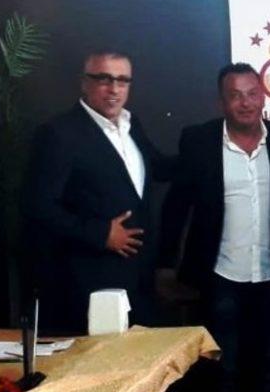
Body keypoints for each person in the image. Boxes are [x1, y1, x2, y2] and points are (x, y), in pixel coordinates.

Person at [157, 62, 270, 392]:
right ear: (221, 102)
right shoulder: (199, 141)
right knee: (224, 372)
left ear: (263, 97)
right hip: (220, 278)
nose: (245, 103)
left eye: (252, 94)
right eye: (236, 95)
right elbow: (176, 206)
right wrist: (166, 264)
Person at [24, 50, 171, 334]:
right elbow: (38, 206)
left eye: (122, 80)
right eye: (104, 79)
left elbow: (159, 168)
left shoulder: (131, 125)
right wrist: (100, 233)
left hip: (138, 277)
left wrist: (213, 143)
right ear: (85, 83)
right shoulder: (58, 133)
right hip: (86, 279)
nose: (114, 89)